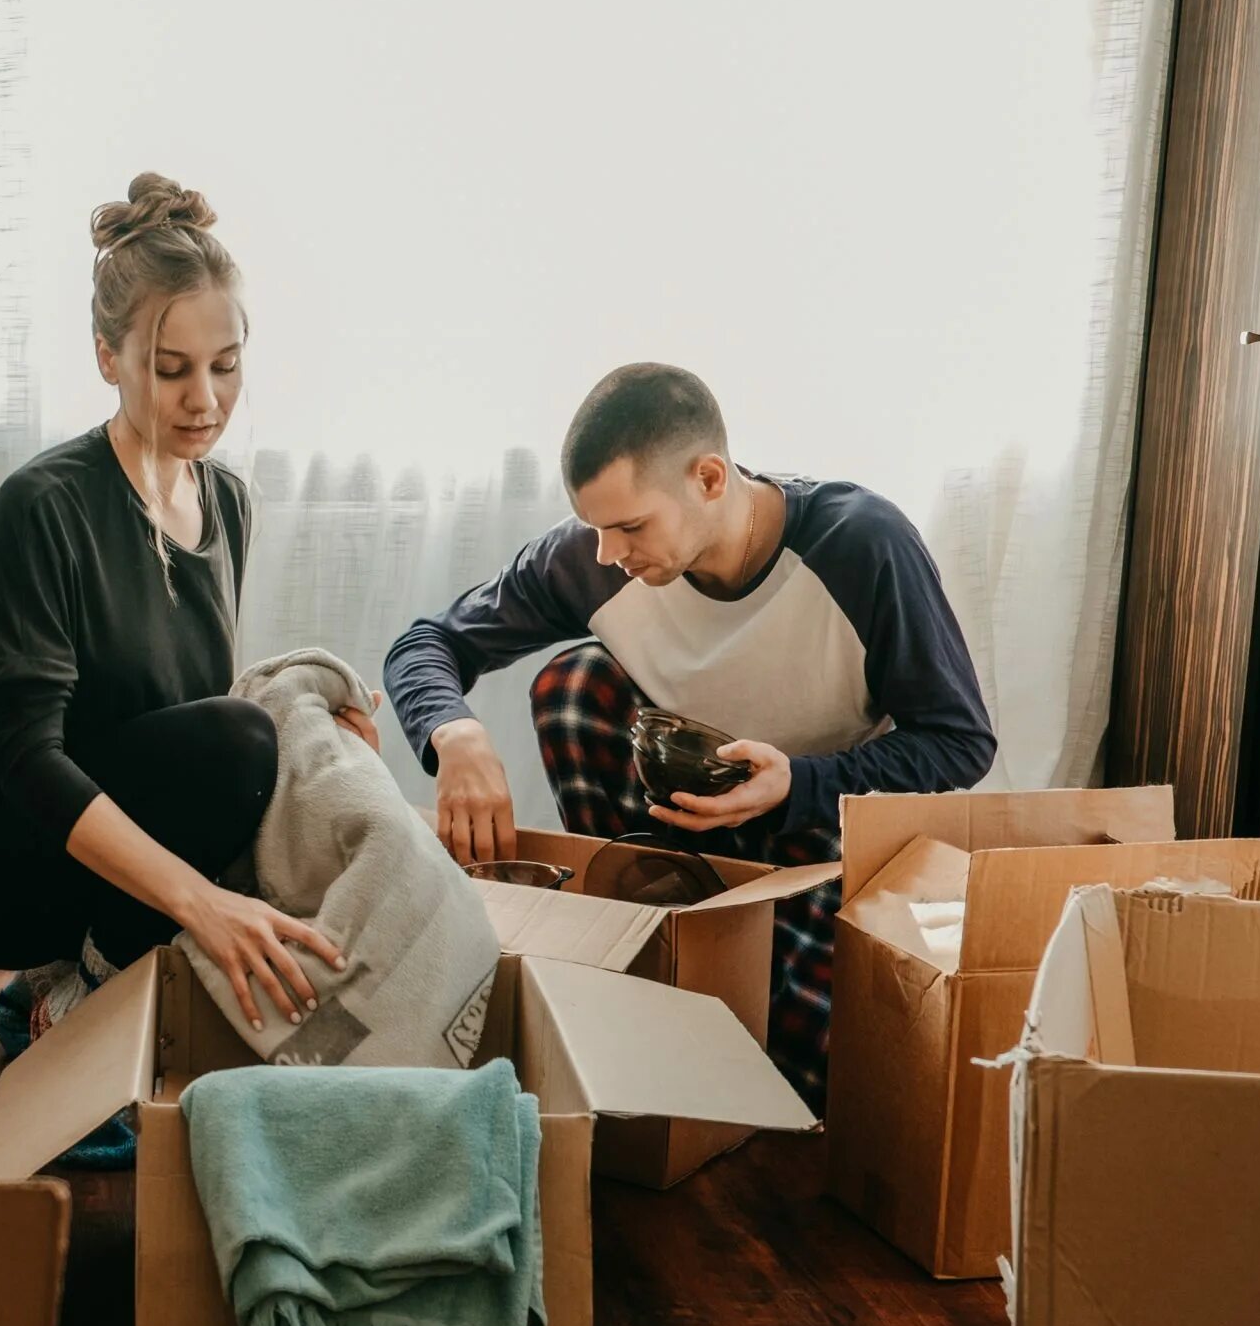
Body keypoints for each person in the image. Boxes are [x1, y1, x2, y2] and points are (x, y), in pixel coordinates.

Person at [383, 363, 995, 1102]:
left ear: (709, 478)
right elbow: (426, 644)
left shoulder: (863, 544)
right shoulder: (596, 558)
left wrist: (800, 783)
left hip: (816, 831)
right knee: (575, 686)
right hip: (674, 825)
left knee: (806, 1073)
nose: (610, 553)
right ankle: (639, 929)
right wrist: (456, 734)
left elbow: (960, 741)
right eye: (596, 528)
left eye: (632, 526)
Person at [0, 173, 376, 1055]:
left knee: (265, 741)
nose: (203, 399)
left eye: (225, 365)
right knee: (242, 741)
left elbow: (180, 706)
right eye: (170, 370)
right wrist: (199, 902)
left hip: (107, 842)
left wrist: (325, 712)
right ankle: (78, 993)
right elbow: (25, 760)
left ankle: (90, 968)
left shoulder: (229, 504)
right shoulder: (39, 509)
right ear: (106, 357)